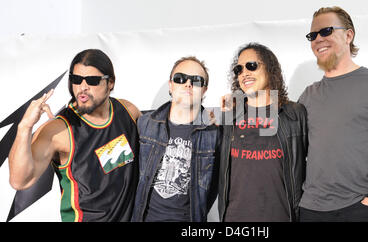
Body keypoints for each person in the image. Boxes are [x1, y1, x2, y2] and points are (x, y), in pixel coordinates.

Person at [298, 6, 368, 222]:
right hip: (311, 212)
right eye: (312, 35)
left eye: (326, 31)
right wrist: (236, 105)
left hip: (362, 210)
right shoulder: (308, 94)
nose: (318, 39)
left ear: (348, 35)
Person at [8, 49, 141, 222]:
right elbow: (19, 181)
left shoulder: (128, 111)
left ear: (110, 83)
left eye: (92, 81)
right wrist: (25, 126)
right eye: (76, 80)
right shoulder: (59, 131)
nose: (82, 87)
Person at [218, 43, 308, 222]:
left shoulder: (295, 114)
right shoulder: (230, 117)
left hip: (282, 216)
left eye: (251, 65)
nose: (244, 73)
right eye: (239, 69)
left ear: (270, 69)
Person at [131, 56, 221, 222]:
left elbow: (214, 188)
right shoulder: (145, 124)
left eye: (196, 80)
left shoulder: (214, 135)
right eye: (180, 78)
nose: (188, 84)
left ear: (204, 90)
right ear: (171, 85)